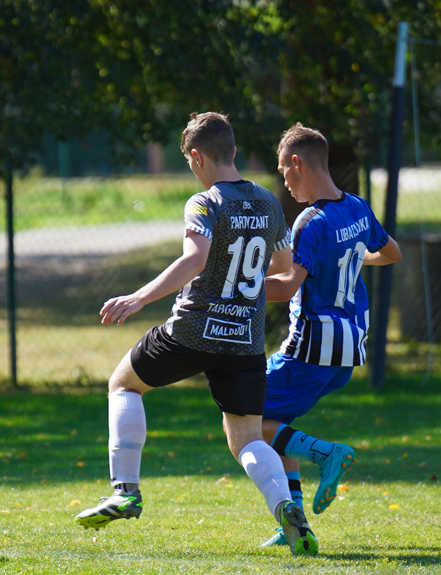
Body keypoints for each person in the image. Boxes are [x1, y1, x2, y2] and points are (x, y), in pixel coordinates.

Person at [75, 112, 318, 556]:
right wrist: (242, 289)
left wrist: (139, 297)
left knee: (123, 384)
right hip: (244, 341)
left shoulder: (203, 202)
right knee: (246, 438)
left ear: (195, 155)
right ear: (234, 151)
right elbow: (283, 273)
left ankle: (125, 490)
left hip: (193, 331)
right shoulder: (267, 201)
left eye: (190, 161)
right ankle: (285, 505)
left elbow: (195, 259)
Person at [258, 123, 402, 547]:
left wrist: (228, 288)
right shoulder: (357, 207)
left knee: (244, 417)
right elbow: (392, 253)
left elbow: (285, 288)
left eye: (285, 172)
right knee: (277, 424)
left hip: (311, 346)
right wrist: (352, 257)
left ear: (298, 163)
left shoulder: (310, 221)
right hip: (347, 350)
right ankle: (294, 523)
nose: (285, 182)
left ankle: (327, 452)